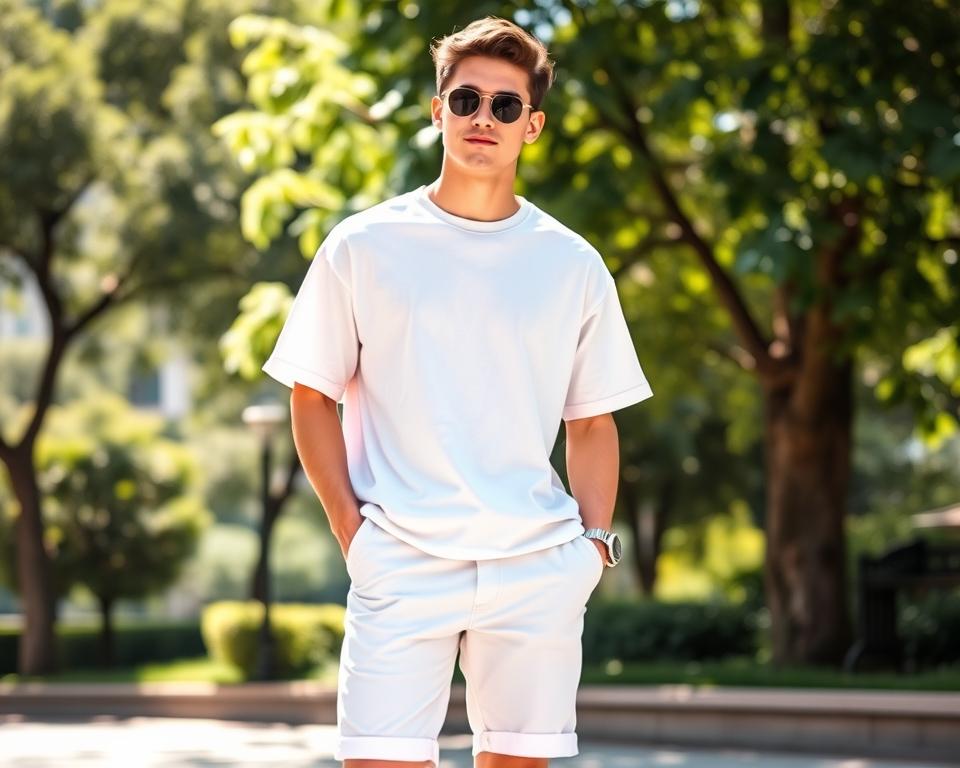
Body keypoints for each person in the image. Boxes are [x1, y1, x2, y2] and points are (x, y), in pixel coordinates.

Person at [261, 15, 653, 768]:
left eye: (506, 106)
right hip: (401, 559)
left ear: (532, 126)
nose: (484, 118)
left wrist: (593, 550)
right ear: (438, 110)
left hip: (536, 567)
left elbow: (593, 422)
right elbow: (312, 395)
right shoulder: (363, 245)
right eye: (466, 99)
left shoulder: (571, 263)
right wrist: (353, 532)